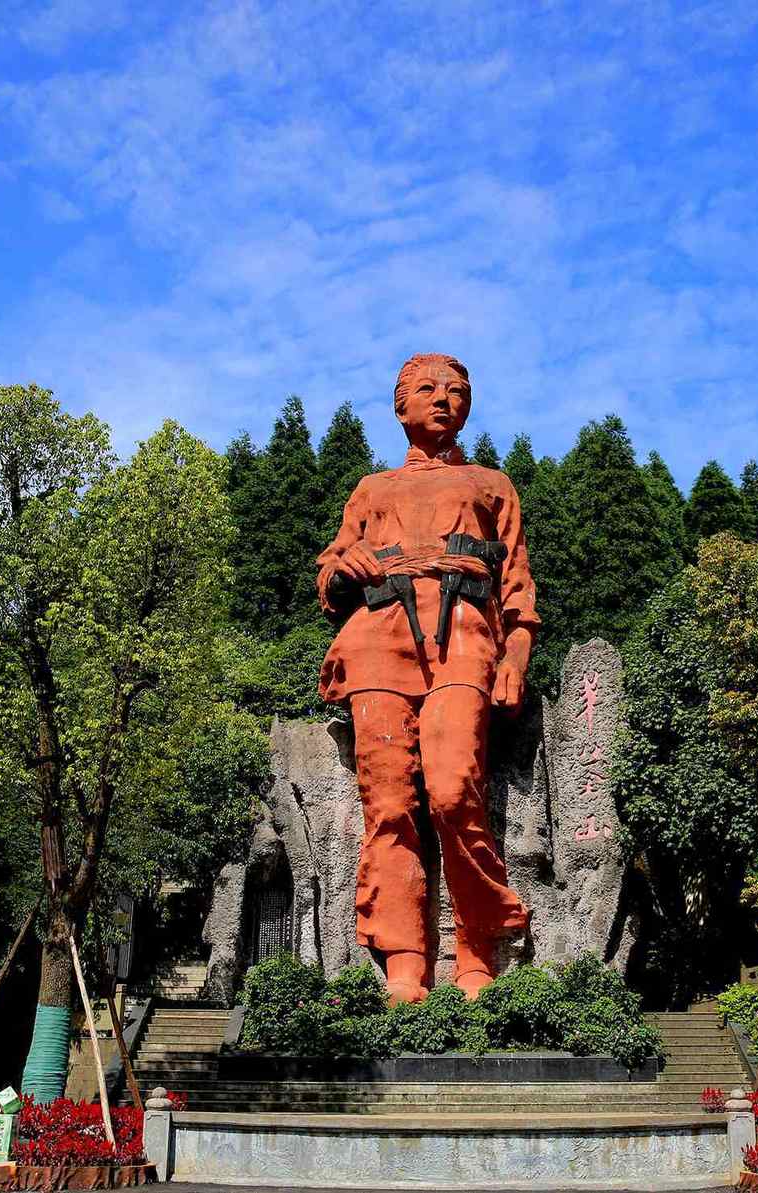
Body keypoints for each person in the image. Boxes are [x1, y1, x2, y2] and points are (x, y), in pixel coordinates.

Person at [315, 353, 536, 1003]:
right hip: (377, 640)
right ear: (400, 405)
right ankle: (406, 959)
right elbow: (329, 578)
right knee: (388, 805)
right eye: (428, 389)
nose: (444, 399)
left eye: (457, 391)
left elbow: (518, 592)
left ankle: (477, 945)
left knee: (452, 787)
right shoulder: (371, 489)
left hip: (464, 631)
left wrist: (515, 657)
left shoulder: (492, 484)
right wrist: (343, 568)